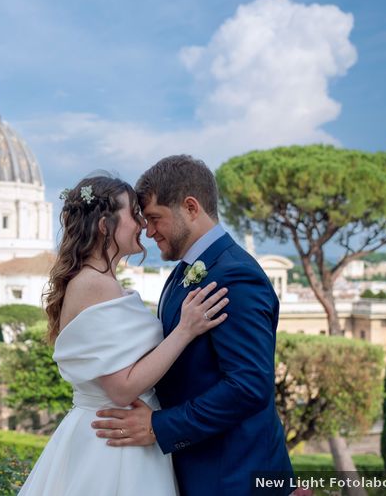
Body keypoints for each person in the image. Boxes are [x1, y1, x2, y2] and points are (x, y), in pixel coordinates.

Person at [90, 155, 295, 495]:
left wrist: (159, 427)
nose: (149, 231)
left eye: (156, 218)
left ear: (190, 207)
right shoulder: (183, 271)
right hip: (198, 467)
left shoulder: (236, 276)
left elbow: (248, 385)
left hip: (234, 475)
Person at [18, 174, 229, 496]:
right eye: (134, 214)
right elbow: (121, 388)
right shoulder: (95, 284)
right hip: (114, 443)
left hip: (119, 433)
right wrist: (186, 330)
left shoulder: (99, 281)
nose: (143, 225)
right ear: (105, 225)